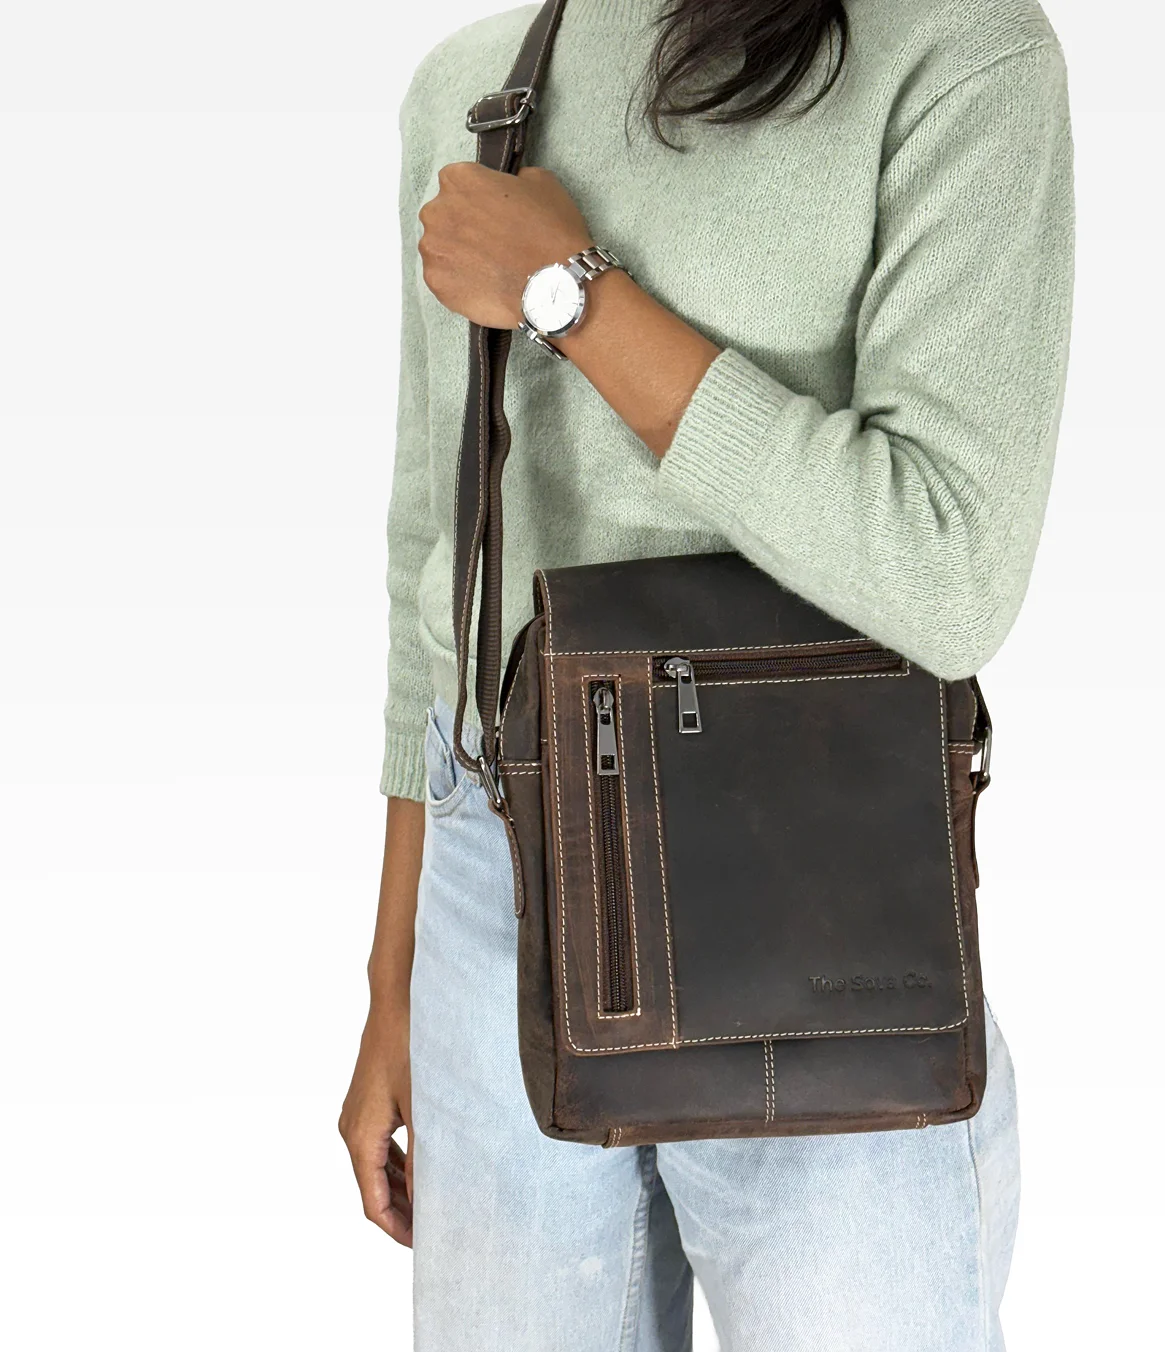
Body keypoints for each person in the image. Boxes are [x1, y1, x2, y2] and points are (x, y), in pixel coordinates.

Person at [339, 0, 1074, 1345]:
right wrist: (394, 986)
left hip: (818, 898)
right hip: (493, 887)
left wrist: (573, 296)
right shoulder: (474, 88)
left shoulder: (958, 52)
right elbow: (433, 557)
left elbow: (949, 573)